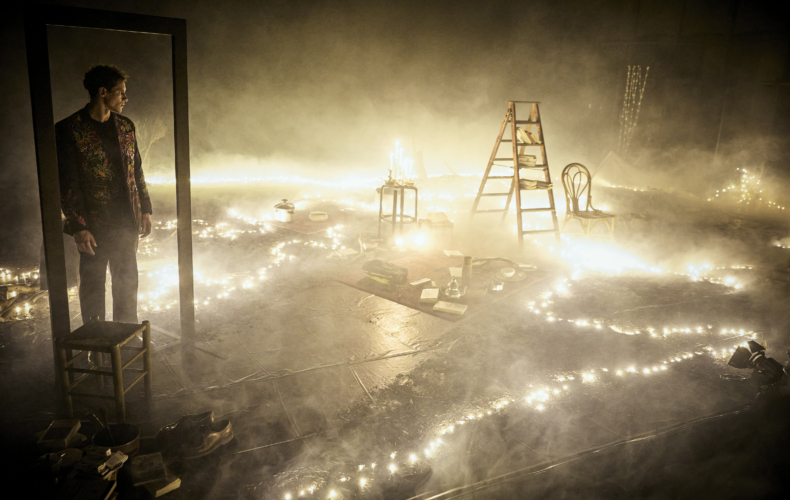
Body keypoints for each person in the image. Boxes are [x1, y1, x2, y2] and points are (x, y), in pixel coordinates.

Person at [56, 65, 153, 323]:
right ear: (102, 92)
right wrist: (78, 226)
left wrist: (145, 209)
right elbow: (66, 182)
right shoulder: (69, 130)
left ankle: (126, 339)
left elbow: (137, 169)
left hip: (126, 223)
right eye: (120, 92)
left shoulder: (125, 126)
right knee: (92, 287)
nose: (125, 98)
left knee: (127, 285)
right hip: (93, 227)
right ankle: (97, 345)